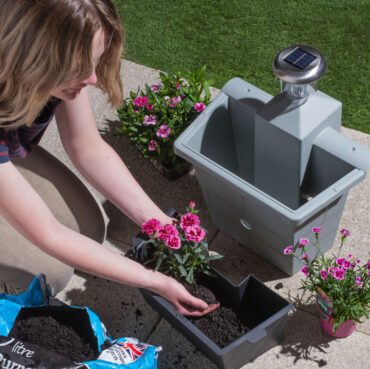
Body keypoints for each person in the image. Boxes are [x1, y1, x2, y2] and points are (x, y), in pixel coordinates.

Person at [0, 0, 217, 316]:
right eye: (77, 69)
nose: (90, 79)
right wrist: (152, 280)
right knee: (46, 276)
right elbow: (48, 233)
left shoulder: (46, 64)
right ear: (33, 57)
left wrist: (161, 225)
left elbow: (88, 148)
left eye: (93, 61)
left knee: (90, 228)